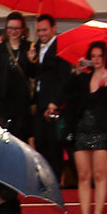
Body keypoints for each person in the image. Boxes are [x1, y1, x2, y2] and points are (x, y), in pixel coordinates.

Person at [63, 41, 107, 214]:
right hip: (81, 130)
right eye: (93, 56)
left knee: (99, 175)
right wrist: (77, 72)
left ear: (105, 58)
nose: (96, 59)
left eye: (99, 56)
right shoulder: (82, 79)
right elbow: (67, 94)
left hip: (101, 132)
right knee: (84, 176)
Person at [32, 15, 72, 185]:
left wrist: (55, 101)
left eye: (45, 30)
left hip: (54, 105)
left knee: (54, 146)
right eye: (39, 30)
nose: (42, 34)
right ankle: (44, 181)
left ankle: (55, 182)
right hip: (39, 104)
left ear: (53, 29)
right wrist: (31, 60)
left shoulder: (61, 47)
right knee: (40, 144)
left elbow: (64, 79)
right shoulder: (35, 48)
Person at [0, 12, 35, 139]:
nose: (13, 31)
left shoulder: (29, 46)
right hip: (3, 97)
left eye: (17, 28)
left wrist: (32, 60)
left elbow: (33, 74)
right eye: (10, 28)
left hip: (21, 99)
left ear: (22, 29)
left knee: (21, 134)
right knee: (2, 135)